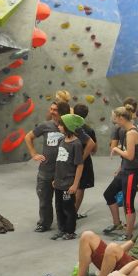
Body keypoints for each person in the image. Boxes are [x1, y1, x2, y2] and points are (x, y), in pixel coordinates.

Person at [24, 102, 90, 232]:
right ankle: (44, 223)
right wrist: (33, 154)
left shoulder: (71, 126)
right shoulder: (45, 125)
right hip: (46, 171)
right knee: (44, 200)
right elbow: (28, 137)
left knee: (64, 203)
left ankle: (66, 227)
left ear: (62, 112)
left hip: (64, 174)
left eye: (55, 110)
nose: (52, 112)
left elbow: (90, 143)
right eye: (51, 109)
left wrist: (79, 160)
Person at [102, 106, 138, 241]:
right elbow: (129, 151)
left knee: (128, 204)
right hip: (125, 170)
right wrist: (120, 167)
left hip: (132, 172)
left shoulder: (131, 133)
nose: (114, 121)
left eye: (115, 118)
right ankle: (117, 223)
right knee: (108, 194)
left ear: (121, 118)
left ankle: (128, 234)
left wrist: (116, 149)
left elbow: (130, 156)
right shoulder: (126, 131)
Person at [51, 114, 85, 240]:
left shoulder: (76, 144)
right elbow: (59, 162)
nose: (58, 126)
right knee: (59, 207)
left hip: (68, 183)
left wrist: (75, 184)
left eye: (61, 125)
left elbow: (80, 165)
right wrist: (55, 178)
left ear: (68, 126)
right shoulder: (61, 140)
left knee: (68, 208)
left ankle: (70, 231)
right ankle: (61, 229)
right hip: (59, 182)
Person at [72, 104, 97, 216]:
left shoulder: (68, 127)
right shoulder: (89, 130)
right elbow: (94, 149)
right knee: (80, 187)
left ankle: (67, 213)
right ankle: (73, 213)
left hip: (68, 159)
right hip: (84, 161)